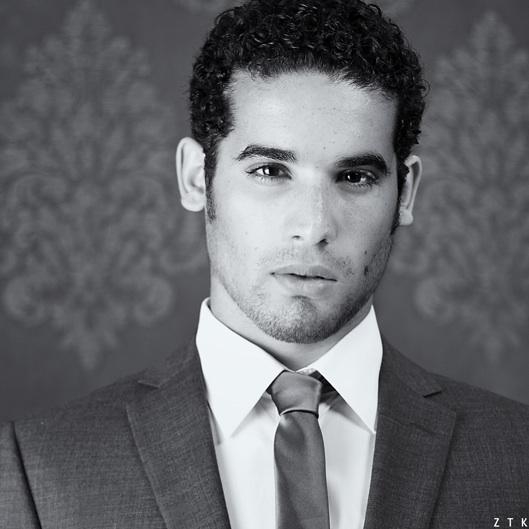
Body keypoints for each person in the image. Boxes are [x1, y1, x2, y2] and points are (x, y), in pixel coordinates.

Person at [1, 0, 529, 527]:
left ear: (405, 192)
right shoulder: (39, 470)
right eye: (270, 171)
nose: (313, 225)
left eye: (355, 178)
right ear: (195, 177)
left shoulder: (516, 454)